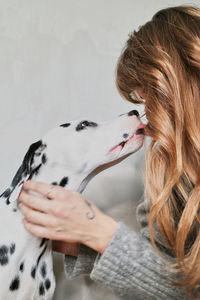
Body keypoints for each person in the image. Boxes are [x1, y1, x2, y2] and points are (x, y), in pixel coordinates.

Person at [18, 5, 200, 299]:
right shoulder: (164, 166)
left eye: (148, 99)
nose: (146, 119)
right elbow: (170, 281)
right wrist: (80, 241)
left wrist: (98, 231)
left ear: (172, 84)